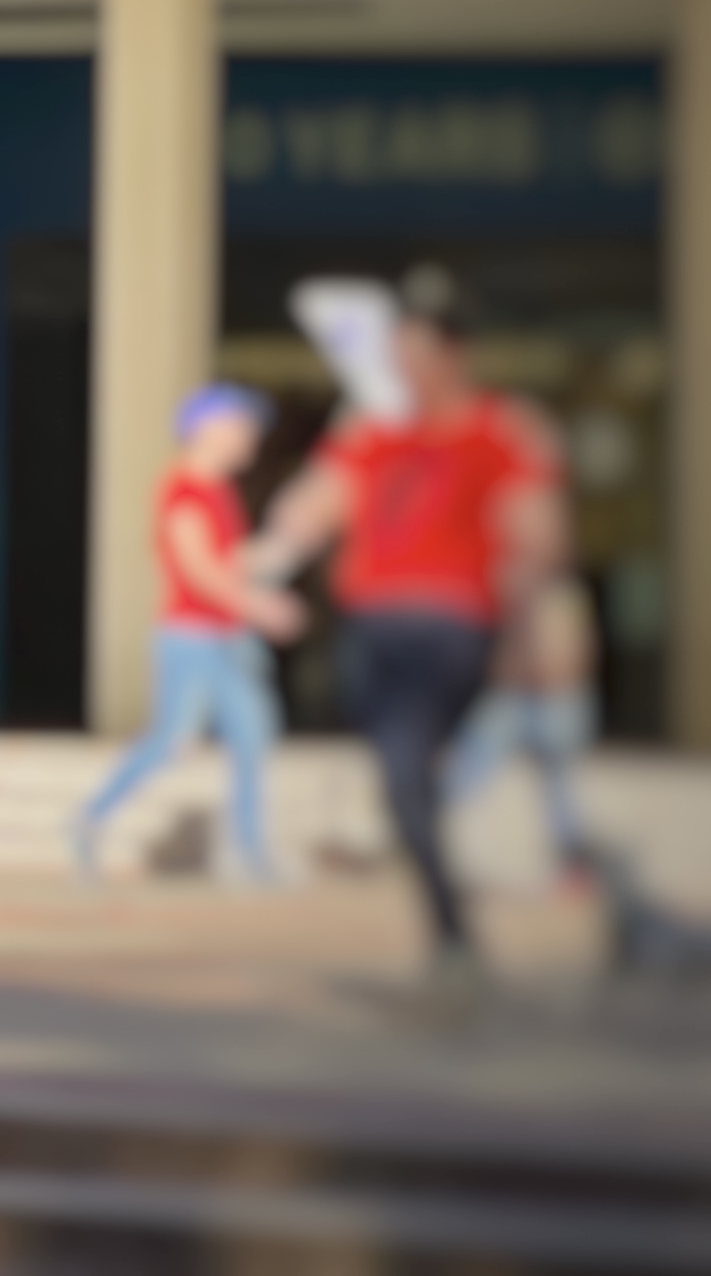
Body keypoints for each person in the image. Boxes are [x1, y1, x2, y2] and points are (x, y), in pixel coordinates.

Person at [257, 266, 567, 991]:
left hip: (451, 625)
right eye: (398, 348)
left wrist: (528, 627)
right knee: (404, 774)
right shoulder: (371, 432)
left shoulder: (502, 429)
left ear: (456, 354)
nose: (405, 364)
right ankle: (451, 933)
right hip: (374, 627)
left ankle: (454, 937)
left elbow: (539, 538)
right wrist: (267, 555)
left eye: (420, 349)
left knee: (404, 768)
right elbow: (307, 512)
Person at [70, 384, 302, 885]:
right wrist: (260, 606)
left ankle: (250, 852)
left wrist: (279, 550)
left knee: (251, 735)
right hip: (191, 639)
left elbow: (229, 563)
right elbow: (202, 573)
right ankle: (88, 820)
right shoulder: (183, 491)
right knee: (171, 741)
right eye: (241, 425)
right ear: (207, 429)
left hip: (225, 637)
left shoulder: (219, 491)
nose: (250, 437)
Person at [445, 569, 599, 881]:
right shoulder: (505, 592)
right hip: (516, 701)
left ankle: (571, 854)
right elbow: (495, 659)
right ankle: (421, 825)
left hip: (555, 702)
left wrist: (542, 676)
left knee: (557, 781)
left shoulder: (565, 596)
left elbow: (577, 657)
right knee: (471, 760)